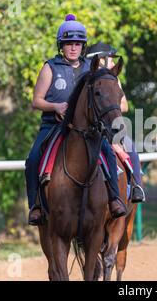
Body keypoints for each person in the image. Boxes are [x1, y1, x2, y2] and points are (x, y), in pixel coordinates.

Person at [25, 14, 126, 226]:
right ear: (61, 46)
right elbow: (36, 100)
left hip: (86, 128)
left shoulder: (92, 67)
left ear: (83, 46)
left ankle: (115, 199)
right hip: (54, 126)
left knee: (107, 150)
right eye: (69, 43)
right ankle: (35, 206)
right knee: (33, 158)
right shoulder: (50, 67)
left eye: (78, 44)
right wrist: (55, 107)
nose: (73, 48)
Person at [86, 42, 146, 203]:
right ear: (100, 60)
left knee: (130, 146)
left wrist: (108, 104)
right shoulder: (87, 77)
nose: (112, 62)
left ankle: (136, 187)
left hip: (110, 126)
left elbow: (124, 105)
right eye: (110, 58)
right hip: (91, 127)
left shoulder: (113, 78)